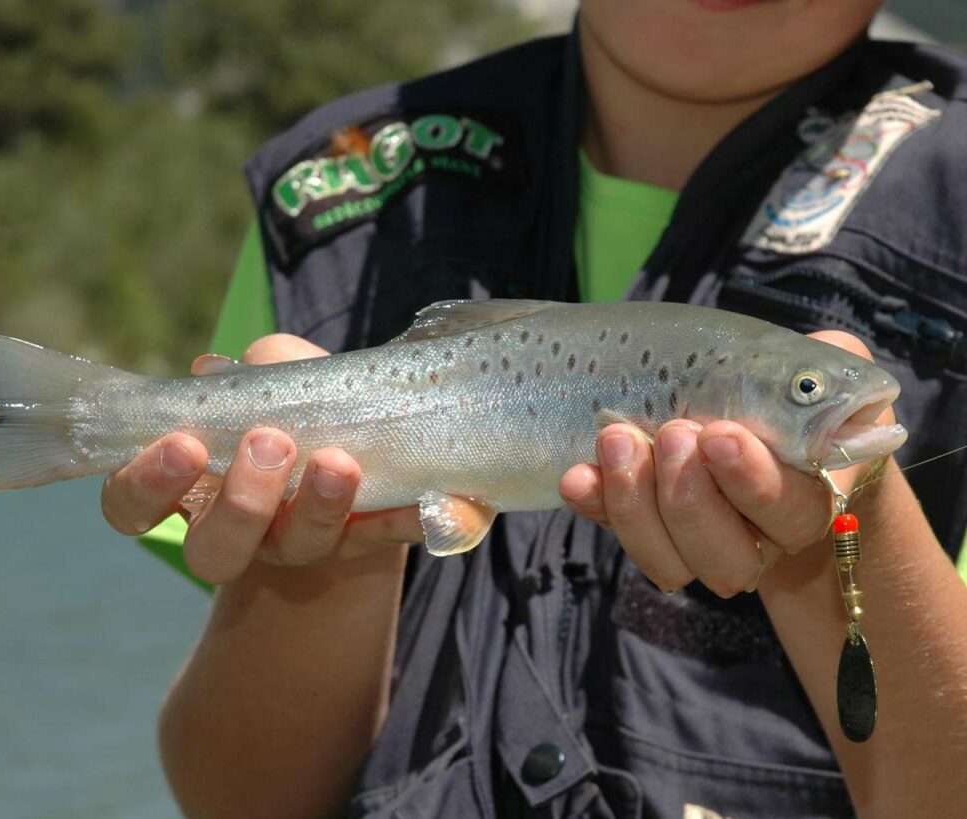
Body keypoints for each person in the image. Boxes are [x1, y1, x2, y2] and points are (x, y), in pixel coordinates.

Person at [102, 1, 967, 816]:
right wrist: (328, 553)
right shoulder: (334, 197)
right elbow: (240, 799)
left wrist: (857, 527)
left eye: (806, 392)